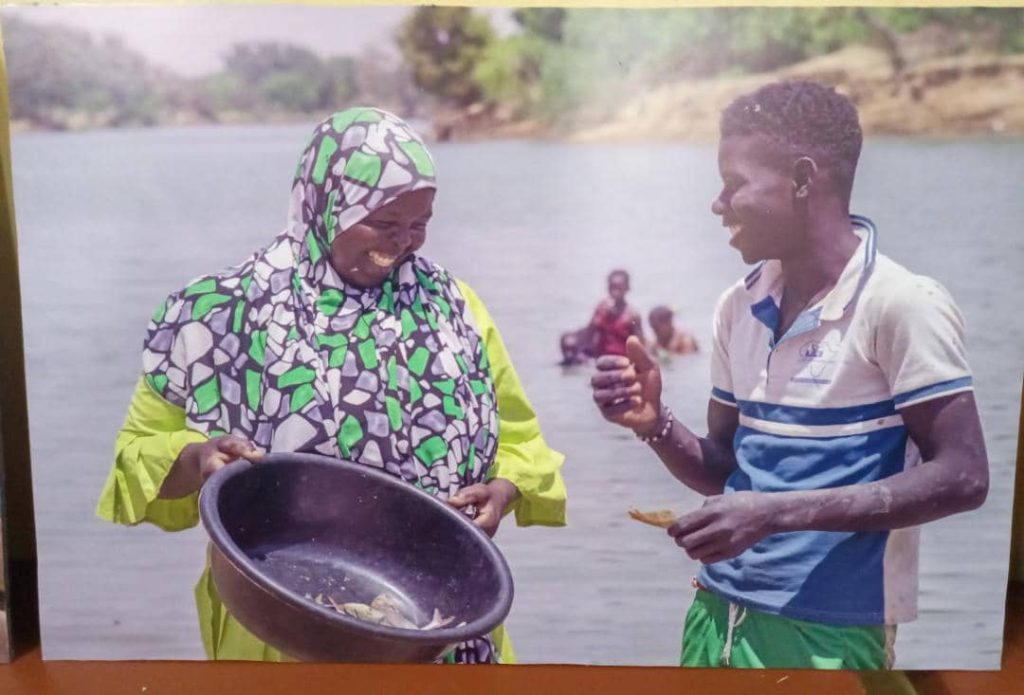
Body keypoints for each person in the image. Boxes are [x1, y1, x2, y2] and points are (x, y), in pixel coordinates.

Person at [96, 107, 567, 664]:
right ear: (326, 204)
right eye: (383, 224)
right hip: (280, 624)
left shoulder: (454, 310)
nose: (402, 244)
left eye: (419, 224)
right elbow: (136, 457)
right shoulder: (217, 315)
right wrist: (198, 458)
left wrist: (503, 489)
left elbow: (519, 440)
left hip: (434, 619)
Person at [590, 80, 988, 670]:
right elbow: (726, 472)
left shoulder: (900, 304)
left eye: (734, 183)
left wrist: (774, 513)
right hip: (714, 617)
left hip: (830, 635)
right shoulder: (740, 305)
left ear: (802, 180)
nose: (718, 204)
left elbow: (963, 477)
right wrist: (654, 424)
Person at [588, 269, 645, 358]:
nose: (615, 291)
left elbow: (640, 345)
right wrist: (599, 317)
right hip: (601, 359)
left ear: (627, 288)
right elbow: (589, 334)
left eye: (619, 287)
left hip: (622, 360)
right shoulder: (601, 308)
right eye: (612, 287)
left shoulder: (632, 314)